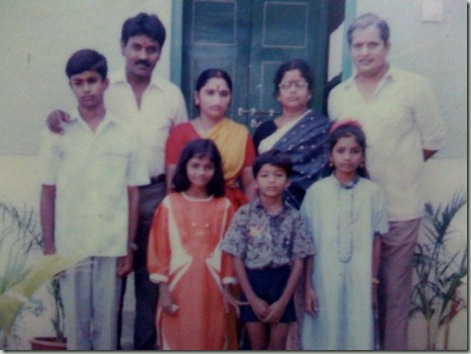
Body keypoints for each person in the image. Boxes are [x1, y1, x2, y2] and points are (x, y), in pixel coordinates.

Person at [45, 13, 189, 350]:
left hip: (156, 196)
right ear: (123, 47)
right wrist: (54, 116)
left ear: (159, 52)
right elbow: (76, 122)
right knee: (110, 288)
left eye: (151, 49)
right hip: (110, 201)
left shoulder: (171, 95)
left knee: (151, 286)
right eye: (136, 46)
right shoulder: (103, 85)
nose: (143, 55)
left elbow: (181, 148)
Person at [327, 13, 446, 350]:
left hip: (399, 209)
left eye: (372, 45)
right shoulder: (339, 94)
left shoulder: (414, 86)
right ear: (350, 48)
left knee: (394, 297)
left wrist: (398, 167)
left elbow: (432, 141)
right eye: (358, 45)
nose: (365, 52)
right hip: (351, 212)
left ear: (387, 46)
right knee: (357, 296)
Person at [39, 49, 149, 350]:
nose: (86, 88)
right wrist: (50, 250)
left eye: (92, 80)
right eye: (78, 82)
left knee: (107, 329)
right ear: (71, 86)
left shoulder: (125, 133)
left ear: (105, 83)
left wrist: (130, 244)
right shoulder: (57, 131)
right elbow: (48, 191)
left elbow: (133, 193)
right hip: (70, 246)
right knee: (76, 330)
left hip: (111, 244)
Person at [300, 120, 388, 350]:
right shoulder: (316, 193)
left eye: (354, 151)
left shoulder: (373, 193)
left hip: (360, 277)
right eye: (340, 151)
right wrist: (308, 285)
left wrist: (372, 283)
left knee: (358, 332)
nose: (347, 157)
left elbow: (376, 240)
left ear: (363, 157)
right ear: (330, 156)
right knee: (323, 332)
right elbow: (307, 243)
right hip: (323, 278)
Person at [147, 139, 239, 350]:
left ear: (216, 170)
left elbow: (228, 253)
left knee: (213, 335)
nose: (201, 172)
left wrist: (228, 289)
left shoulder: (224, 206)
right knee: (179, 335)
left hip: (213, 287)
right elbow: (159, 249)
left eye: (208, 167)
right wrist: (163, 291)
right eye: (195, 166)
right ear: (184, 167)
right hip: (179, 285)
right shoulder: (170, 204)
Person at [220, 150, 315, 350]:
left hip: (282, 282)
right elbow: (236, 256)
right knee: (257, 346)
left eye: (278, 175)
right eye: (265, 175)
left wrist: (283, 301)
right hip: (253, 282)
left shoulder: (294, 217)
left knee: (278, 346)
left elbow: (299, 260)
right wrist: (251, 298)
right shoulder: (245, 214)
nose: (271, 181)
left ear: (288, 181)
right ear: (255, 181)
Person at [166, 68, 256, 209]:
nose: (217, 100)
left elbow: (250, 182)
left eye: (223, 94)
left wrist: (249, 216)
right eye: (210, 93)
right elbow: (171, 183)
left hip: (229, 207)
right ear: (197, 97)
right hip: (189, 207)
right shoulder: (180, 132)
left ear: (230, 98)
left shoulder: (241, 133)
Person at [253, 58, 331, 210]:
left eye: (299, 85)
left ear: (309, 93)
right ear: (278, 94)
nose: (293, 90)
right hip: (269, 208)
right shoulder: (264, 130)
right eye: (286, 85)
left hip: (310, 209)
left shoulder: (323, 129)